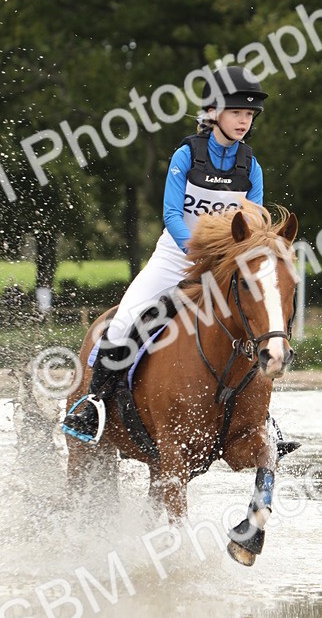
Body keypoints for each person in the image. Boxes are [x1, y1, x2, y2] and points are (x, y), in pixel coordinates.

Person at [62, 64, 298, 455]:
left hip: (223, 266)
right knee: (122, 324)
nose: (244, 120)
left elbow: (254, 227)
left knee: (251, 325)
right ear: (214, 112)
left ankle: (260, 420)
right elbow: (172, 214)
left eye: (249, 114)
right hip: (175, 257)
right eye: (236, 112)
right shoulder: (187, 155)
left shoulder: (251, 166)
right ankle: (94, 405)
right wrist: (197, 253)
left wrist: (227, 262)